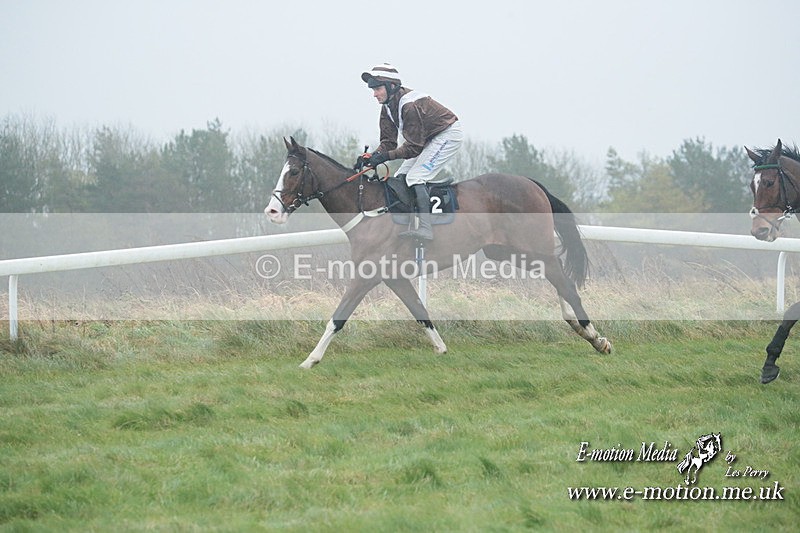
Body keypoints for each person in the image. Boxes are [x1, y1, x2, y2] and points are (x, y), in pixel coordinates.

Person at [359, 63, 463, 240]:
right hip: (428, 139)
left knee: (415, 177)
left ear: (391, 86)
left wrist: (385, 157)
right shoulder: (387, 107)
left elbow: (413, 147)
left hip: (447, 134)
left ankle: (425, 228)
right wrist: (373, 156)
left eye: (377, 89)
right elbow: (388, 142)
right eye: (373, 90)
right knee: (401, 177)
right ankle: (409, 223)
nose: (374, 94)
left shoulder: (409, 106)